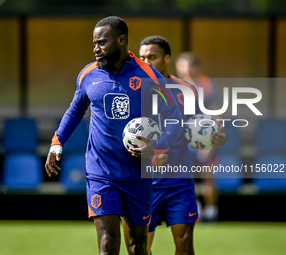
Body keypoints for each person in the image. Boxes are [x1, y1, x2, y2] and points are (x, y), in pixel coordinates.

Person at [45, 17, 183, 255]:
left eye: (101, 43)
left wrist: (156, 144)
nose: (95, 49)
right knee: (107, 245)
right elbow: (76, 110)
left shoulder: (150, 75)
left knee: (137, 247)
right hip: (101, 172)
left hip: (137, 173)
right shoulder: (88, 74)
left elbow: (174, 119)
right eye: (94, 43)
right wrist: (57, 142)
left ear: (121, 41)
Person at [139, 36, 227, 255]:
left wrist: (216, 137)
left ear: (167, 58)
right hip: (146, 182)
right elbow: (127, 135)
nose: (146, 62)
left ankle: (211, 210)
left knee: (185, 243)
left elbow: (198, 127)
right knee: (140, 248)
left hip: (179, 181)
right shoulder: (134, 90)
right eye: (142, 58)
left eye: (152, 57)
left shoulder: (186, 89)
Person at [176, 52, 223, 222]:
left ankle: (211, 211)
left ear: (195, 67)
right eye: (179, 65)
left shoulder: (208, 86)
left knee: (207, 176)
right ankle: (195, 207)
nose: (180, 68)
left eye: (184, 65)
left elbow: (217, 115)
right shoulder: (177, 85)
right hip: (183, 140)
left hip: (204, 137)